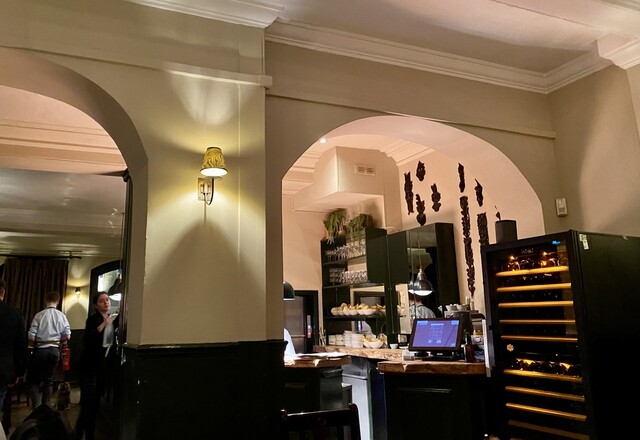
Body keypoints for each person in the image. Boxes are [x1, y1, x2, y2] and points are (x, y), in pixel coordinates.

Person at [74, 292, 119, 440]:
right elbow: (88, 340)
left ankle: (82, 434)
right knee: (88, 405)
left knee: (94, 406)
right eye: (101, 301)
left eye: (107, 300)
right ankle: (82, 435)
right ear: (95, 305)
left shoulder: (113, 320)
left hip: (102, 368)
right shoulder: (93, 319)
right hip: (88, 368)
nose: (106, 303)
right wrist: (105, 324)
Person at [26, 290, 71, 409]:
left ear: (46, 300)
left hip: (40, 350)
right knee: (49, 380)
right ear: (58, 301)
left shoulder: (39, 315)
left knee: (34, 380)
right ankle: (46, 408)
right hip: (55, 351)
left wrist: (33, 344)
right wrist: (58, 339)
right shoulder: (62, 316)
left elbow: (31, 337)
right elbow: (67, 336)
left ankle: (36, 407)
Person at [0, 280, 28, 433]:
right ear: (3, 293)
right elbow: (21, 346)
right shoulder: (14, 314)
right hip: (3, 369)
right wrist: (18, 372)